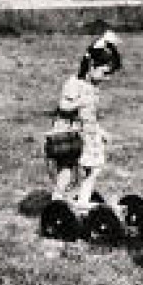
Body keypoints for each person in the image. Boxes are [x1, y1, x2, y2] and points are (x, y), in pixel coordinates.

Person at [45, 29, 123, 205]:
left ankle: (83, 201)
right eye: (105, 73)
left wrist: (100, 131)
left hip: (87, 135)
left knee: (93, 169)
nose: (107, 79)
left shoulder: (92, 88)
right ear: (91, 66)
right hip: (71, 134)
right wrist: (79, 102)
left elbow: (90, 117)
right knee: (66, 170)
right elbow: (63, 106)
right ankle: (57, 201)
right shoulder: (74, 84)